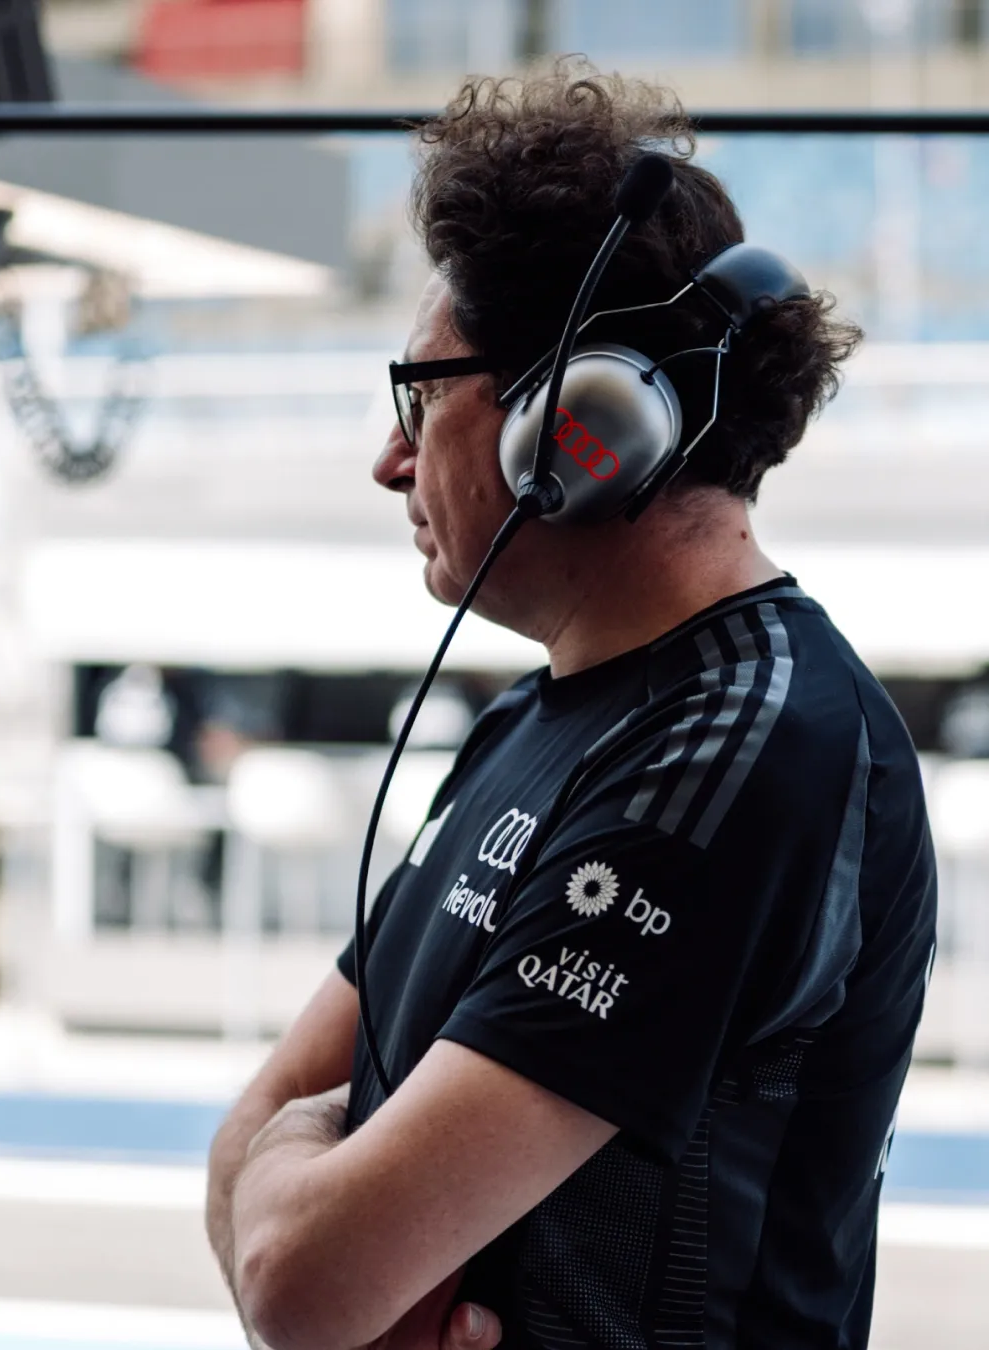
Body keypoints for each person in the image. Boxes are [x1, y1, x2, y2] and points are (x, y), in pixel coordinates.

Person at [206, 65, 936, 1350]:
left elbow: (296, 1278)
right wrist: (302, 1191)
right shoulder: (521, 727)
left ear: (576, 428)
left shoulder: (744, 750)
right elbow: (254, 1157)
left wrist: (306, 1193)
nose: (389, 461)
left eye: (421, 397)